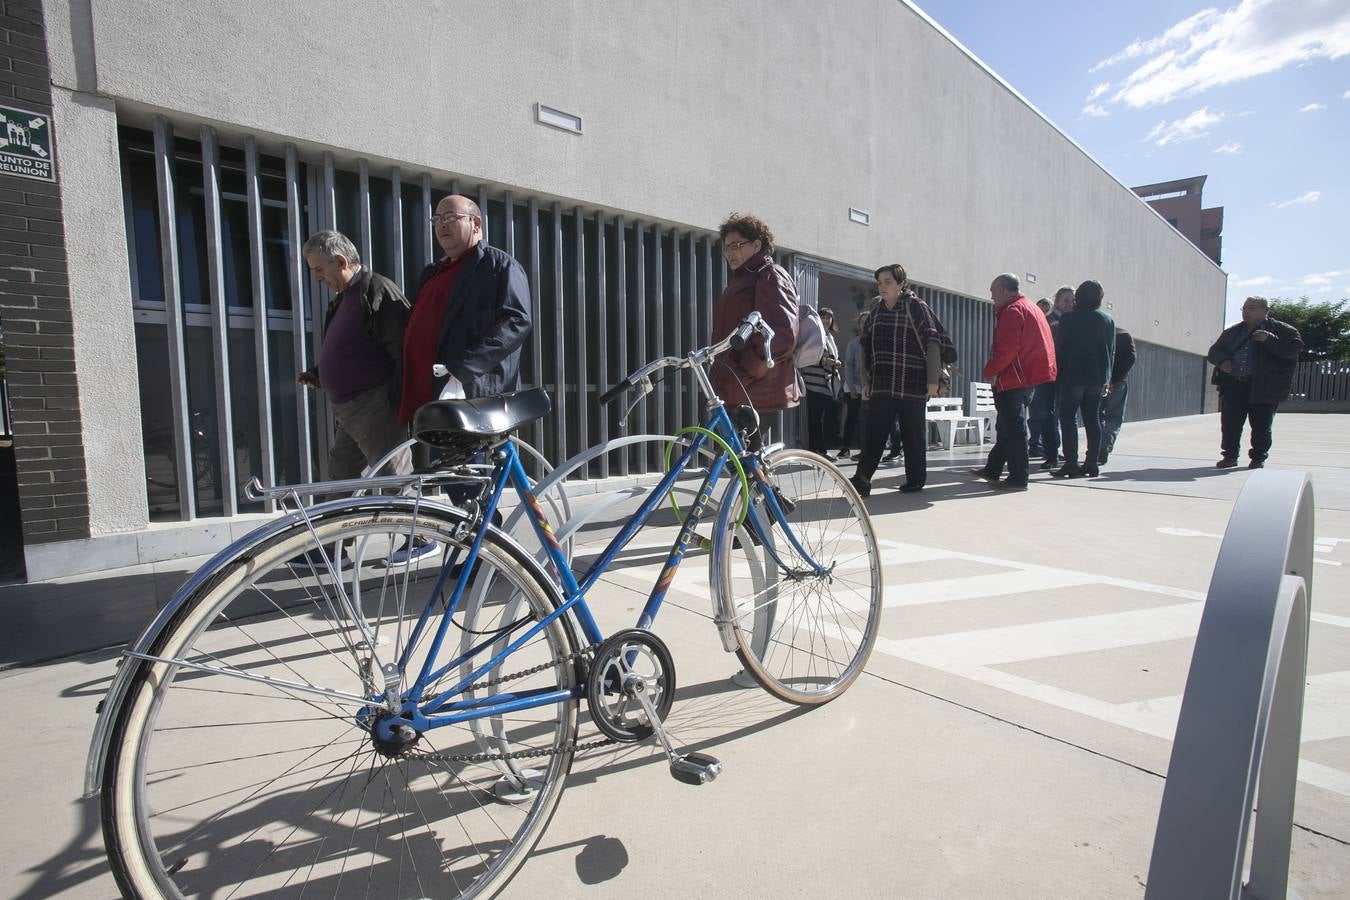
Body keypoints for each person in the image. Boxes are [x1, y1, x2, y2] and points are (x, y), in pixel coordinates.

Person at [400, 195, 532, 418]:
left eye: (451, 217)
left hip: (469, 394)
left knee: (477, 454)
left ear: (476, 224)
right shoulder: (431, 272)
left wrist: (465, 368)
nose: (442, 224)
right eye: (437, 219)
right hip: (430, 397)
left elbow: (516, 321)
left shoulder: (498, 266)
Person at [299, 230, 412, 480]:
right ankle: (340, 520)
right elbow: (353, 347)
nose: (317, 278)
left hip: (374, 407)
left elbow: (406, 347)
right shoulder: (342, 299)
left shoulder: (375, 289)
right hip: (350, 410)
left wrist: (396, 401)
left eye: (318, 269)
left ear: (340, 262)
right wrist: (319, 373)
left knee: (394, 478)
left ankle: (409, 520)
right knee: (341, 475)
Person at [850, 263, 940, 497]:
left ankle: (916, 479)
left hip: (913, 382)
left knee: (913, 434)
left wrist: (933, 379)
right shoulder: (875, 309)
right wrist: (865, 380)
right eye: (880, 283)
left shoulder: (916, 306)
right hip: (882, 382)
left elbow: (931, 341)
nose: (882, 287)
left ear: (901, 284)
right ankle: (862, 480)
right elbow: (865, 346)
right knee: (874, 433)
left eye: (888, 282)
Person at [709, 213, 800, 440]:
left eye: (736, 245)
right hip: (734, 385)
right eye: (726, 247)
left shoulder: (769, 276)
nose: (729, 252)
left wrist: (749, 368)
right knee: (735, 464)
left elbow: (782, 333)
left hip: (754, 388)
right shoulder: (741, 281)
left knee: (744, 463)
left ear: (757, 244)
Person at [969, 273, 1055, 489]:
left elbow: (1007, 350)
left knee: (1014, 429)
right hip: (1027, 378)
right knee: (1007, 427)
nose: (991, 297)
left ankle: (1018, 477)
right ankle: (993, 468)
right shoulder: (1031, 308)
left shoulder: (1012, 311)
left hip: (1014, 379)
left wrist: (990, 371)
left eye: (992, 291)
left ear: (1003, 290)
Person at [1207, 296, 1303, 469]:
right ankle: (1230, 456)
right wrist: (1223, 361)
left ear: (1266, 311)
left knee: (1261, 425)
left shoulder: (1284, 331)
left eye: (1251, 308)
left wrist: (1269, 340)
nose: (1246, 312)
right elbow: (1214, 351)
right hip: (1234, 385)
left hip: (1264, 387)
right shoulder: (1232, 332)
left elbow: (1293, 350)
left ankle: (1258, 458)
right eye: (1244, 308)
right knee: (1230, 424)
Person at [1052, 280, 1114, 479]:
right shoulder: (1107, 320)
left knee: (1068, 418)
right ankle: (1091, 462)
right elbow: (1111, 352)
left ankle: (1071, 462)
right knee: (1092, 418)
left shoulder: (1068, 320)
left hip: (1072, 374)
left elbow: (1059, 348)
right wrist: (1107, 378)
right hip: (1097, 377)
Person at [1029, 285, 1073, 467]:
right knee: (1045, 414)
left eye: (1073, 301)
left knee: (1061, 415)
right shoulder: (1049, 321)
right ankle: (1050, 453)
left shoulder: (1073, 320)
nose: (1070, 304)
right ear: (1057, 302)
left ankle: (1056, 451)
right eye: (1066, 301)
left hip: (1065, 375)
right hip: (1048, 373)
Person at [800, 307, 843, 456]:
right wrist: (826, 361)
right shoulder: (815, 335)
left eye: (829, 317)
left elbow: (831, 356)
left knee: (824, 418)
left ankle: (819, 448)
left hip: (828, 384)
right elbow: (806, 357)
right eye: (823, 317)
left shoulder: (829, 336)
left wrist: (836, 362)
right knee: (815, 419)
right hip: (815, 383)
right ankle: (818, 449)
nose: (826, 320)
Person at [1097, 327, 1136, 465]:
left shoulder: (1100, 333)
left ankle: (1097, 446)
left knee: (1096, 415)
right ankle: (1105, 445)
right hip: (1118, 383)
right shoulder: (1125, 335)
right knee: (1114, 416)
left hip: (1099, 382)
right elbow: (1131, 358)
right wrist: (1116, 379)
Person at [837, 311, 867, 460]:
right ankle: (845, 448)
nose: (864, 324)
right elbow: (848, 366)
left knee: (865, 419)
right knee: (852, 417)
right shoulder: (853, 343)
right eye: (862, 322)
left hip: (869, 388)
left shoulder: (875, 342)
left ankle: (865, 449)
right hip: (853, 386)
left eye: (867, 321)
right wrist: (853, 387)